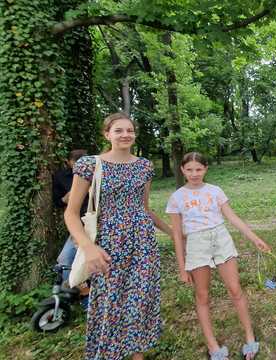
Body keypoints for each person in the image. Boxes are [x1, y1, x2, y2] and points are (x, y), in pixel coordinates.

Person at [64, 112, 172, 360]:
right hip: (108, 245)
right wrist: (88, 248)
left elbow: (144, 209)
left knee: (141, 299)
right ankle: (107, 353)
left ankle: (137, 355)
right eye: (119, 130)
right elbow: (71, 214)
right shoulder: (90, 164)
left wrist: (174, 232)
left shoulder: (144, 166)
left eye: (130, 130)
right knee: (109, 303)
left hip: (143, 244)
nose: (125, 135)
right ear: (107, 134)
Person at [166, 152, 270, 360]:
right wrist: (182, 266)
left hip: (221, 239)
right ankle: (213, 345)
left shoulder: (215, 191)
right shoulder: (176, 197)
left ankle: (249, 336)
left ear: (206, 169)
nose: (194, 174)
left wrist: (254, 238)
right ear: (182, 170)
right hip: (196, 244)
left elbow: (232, 217)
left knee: (235, 289)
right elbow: (177, 236)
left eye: (199, 169)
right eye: (189, 170)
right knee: (202, 295)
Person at [53, 149, 87, 282]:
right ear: (68, 162)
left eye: (83, 160)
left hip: (95, 221)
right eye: (76, 161)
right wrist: (74, 190)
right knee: (65, 260)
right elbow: (59, 202)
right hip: (77, 223)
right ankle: (70, 294)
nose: (80, 164)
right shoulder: (61, 176)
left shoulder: (95, 173)